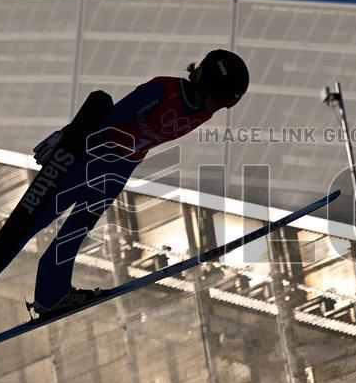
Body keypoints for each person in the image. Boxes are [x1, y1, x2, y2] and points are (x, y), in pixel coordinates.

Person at [25, 49, 249, 314]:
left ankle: (51, 295)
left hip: (121, 169)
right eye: (220, 98)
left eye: (227, 103)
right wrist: (67, 137)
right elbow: (110, 116)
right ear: (205, 83)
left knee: (76, 231)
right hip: (94, 157)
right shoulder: (163, 90)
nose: (220, 107)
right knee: (38, 217)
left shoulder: (203, 112)